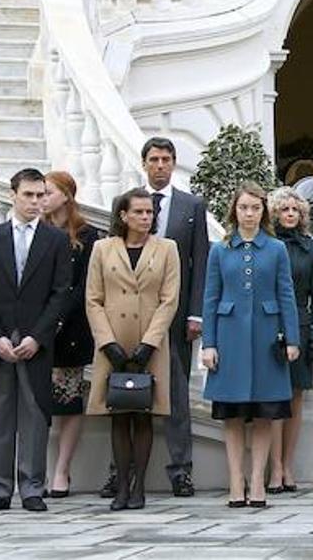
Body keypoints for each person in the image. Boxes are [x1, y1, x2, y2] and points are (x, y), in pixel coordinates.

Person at [0, 168, 74, 514]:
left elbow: (61, 293)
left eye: (41, 195)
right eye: (29, 195)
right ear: (13, 194)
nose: (36, 202)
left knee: (34, 413)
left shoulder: (56, 240)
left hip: (36, 341)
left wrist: (38, 336)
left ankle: (32, 487)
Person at [115, 137, 207, 500]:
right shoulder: (126, 203)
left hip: (178, 314)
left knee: (177, 394)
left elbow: (199, 261)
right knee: (125, 393)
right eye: (154, 159)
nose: (160, 165)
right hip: (130, 315)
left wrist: (196, 313)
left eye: (166, 159)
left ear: (174, 163)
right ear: (144, 163)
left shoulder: (191, 205)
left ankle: (180, 470)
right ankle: (120, 471)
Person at [201, 184, 301, 509]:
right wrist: (209, 344)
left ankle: (258, 478)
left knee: (263, 413)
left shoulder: (276, 249)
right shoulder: (220, 249)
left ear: (263, 212)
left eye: (255, 208)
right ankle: (235, 479)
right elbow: (210, 298)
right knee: (232, 415)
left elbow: (286, 294)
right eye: (243, 207)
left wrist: (292, 339)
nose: (249, 213)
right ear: (235, 211)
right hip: (228, 338)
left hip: (267, 338)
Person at [84, 188, 181, 511]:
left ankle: (140, 485)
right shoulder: (102, 248)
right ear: (123, 216)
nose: (145, 217)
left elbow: (170, 300)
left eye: (149, 212)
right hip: (112, 340)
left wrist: (149, 344)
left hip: (150, 343)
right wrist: (107, 342)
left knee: (144, 415)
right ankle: (121, 486)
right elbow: (93, 299)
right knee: (118, 414)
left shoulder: (167, 248)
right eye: (138, 212)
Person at [41, 170, 102, 499]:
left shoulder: (87, 234)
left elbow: (85, 286)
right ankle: (38, 470)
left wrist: (61, 316)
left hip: (74, 327)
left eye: (48, 191)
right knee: (39, 405)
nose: (43, 197)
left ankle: (62, 470)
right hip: (38, 328)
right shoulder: (38, 230)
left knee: (69, 402)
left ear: (66, 194)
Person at [266, 187, 313, 494]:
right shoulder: (267, 245)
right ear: (275, 213)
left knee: (295, 397)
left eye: (295, 210)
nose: (289, 214)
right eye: (284, 209)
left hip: (300, 327)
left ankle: (288, 464)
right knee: (274, 398)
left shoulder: (311, 248)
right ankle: (274, 467)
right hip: (270, 325)